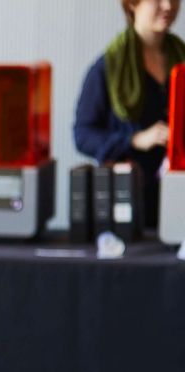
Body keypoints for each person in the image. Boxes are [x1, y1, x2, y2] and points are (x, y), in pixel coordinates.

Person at [74, 0, 185, 230]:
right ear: (133, 4)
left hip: (179, 203)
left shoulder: (181, 60)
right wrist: (135, 140)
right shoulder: (107, 67)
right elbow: (83, 135)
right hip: (129, 209)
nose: (168, 6)